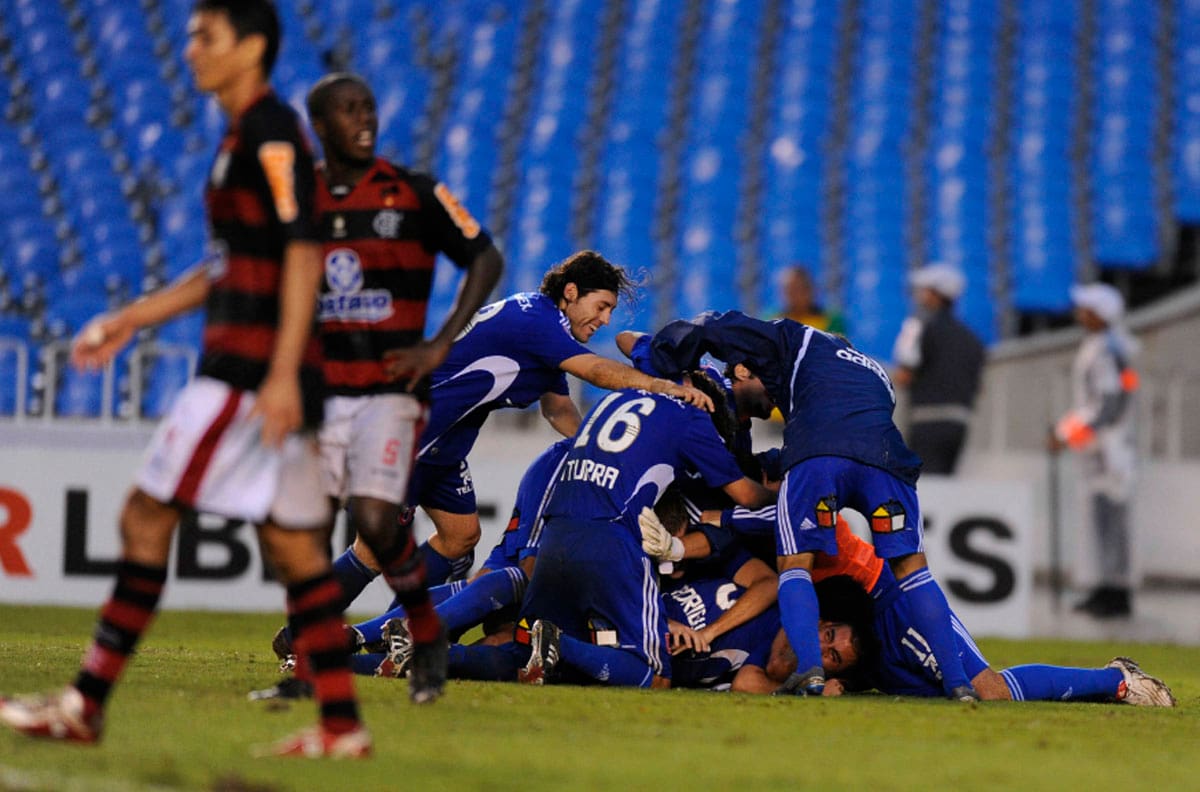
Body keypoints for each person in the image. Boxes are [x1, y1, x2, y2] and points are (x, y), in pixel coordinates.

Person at [0, 0, 371, 758]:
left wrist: (277, 374)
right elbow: (230, 264)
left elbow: (303, 249)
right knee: (297, 551)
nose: (191, 47)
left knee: (145, 518)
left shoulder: (270, 133)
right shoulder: (241, 135)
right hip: (270, 375)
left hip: (243, 377)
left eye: (206, 35)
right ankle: (341, 727)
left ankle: (85, 704)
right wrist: (135, 317)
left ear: (252, 46)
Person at [263, 71, 503, 703]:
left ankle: (420, 633)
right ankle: (316, 665)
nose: (364, 118)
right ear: (321, 126)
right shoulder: (300, 199)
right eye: (348, 110)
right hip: (323, 390)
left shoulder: (413, 192)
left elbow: (485, 257)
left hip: (388, 394)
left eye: (369, 106)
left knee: (373, 518)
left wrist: (440, 342)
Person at [326, 251, 715, 605]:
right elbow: (596, 370)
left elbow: (558, 409)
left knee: (460, 536)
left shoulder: (544, 328)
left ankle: (400, 632)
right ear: (571, 292)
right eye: (601, 306)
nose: (606, 320)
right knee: (375, 550)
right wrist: (658, 386)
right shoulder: (536, 321)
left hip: (445, 445)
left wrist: (603, 452)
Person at [649, 310, 978, 700]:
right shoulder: (877, 373)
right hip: (886, 462)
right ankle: (958, 682)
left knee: (795, 566)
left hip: (820, 456)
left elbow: (710, 326)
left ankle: (809, 672)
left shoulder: (797, 340)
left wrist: (670, 364)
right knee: (914, 572)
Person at [516, 372, 776, 688]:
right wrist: (788, 497)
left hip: (558, 531)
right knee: (656, 678)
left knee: (520, 648)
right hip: (611, 538)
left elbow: (629, 341)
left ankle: (451, 654)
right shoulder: (693, 420)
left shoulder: (619, 395)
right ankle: (560, 645)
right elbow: (746, 496)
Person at [1049, 283, 1139, 619]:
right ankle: (1104, 586)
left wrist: (1066, 432)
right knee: (1101, 522)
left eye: (1087, 308)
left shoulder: (1107, 350)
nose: (1080, 314)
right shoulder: (1101, 346)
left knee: (1111, 522)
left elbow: (1107, 404)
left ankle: (1117, 592)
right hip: (1099, 450)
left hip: (1109, 451)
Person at [891, 263, 986, 474]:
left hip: (926, 420)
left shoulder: (918, 325)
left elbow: (904, 374)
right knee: (946, 486)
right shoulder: (973, 339)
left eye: (924, 291)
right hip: (960, 423)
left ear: (935, 295)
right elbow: (979, 387)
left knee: (925, 489)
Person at [778, 264, 846, 335]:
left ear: (810, 290)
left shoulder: (830, 320)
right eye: (787, 290)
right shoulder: (774, 320)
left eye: (796, 289)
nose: (791, 295)